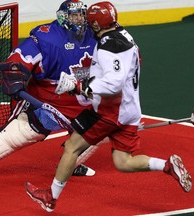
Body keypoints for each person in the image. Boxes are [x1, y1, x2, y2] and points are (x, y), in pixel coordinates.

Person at [25, 1, 192, 212]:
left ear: (96, 24)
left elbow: (113, 83)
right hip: (130, 111)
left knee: (71, 148)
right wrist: (81, 78)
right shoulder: (123, 35)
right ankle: (167, 166)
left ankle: (50, 197)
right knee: (123, 161)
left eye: (90, 21)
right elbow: (111, 72)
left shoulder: (106, 47)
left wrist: (79, 86)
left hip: (110, 112)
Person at [0, 0, 103, 182]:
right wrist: (13, 75)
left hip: (82, 101)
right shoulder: (47, 37)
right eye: (74, 15)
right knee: (26, 131)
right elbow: (19, 58)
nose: (79, 19)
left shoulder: (96, 35)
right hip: (48, 100)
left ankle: (72, 164)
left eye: (81, 15)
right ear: (63, 17)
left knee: (102, 126)